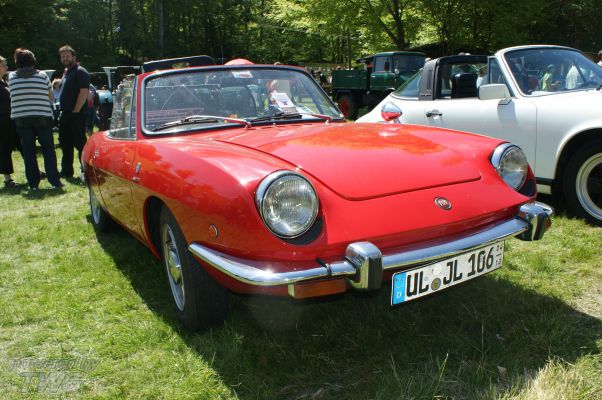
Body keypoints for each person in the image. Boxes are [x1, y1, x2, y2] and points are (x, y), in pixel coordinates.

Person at [7, 48, 62, 190]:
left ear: (17, 61)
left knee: (28, 151)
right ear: (32, 60)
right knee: (48, 149)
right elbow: (51, 97)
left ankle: (33, 183)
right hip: (42, 115)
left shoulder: (11, 77)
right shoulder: (42, 76)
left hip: (21, 117)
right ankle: (54, 181)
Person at [57, 44, 89, 178]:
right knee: (65, 144)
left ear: (74, 57)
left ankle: (86, 171)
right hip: (65, 114)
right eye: (63, 56)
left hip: (76, 114)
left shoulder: (80, 71)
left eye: (67, 56)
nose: (65, 58)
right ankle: (66, 171)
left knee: (80, 144)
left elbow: (84, 92)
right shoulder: (66, 72)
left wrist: (76, 111)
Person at [0, 55, 21, 187]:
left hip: (12, 118)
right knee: (5, 148)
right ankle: (7, 179)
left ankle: (35, 171)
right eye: (3, 65)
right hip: (2, 121)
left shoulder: (4, 82)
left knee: (22, 144)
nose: (7, 67)